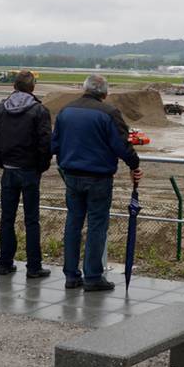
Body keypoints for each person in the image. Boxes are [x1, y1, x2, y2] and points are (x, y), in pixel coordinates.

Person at [52, 74, 142, 291]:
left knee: (73, 223)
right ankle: (93, 276)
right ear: (105, 92)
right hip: (99, 178)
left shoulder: (66, 111)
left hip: (71, 175)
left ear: (84, 89)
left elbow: (54, 144)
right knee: (97, 226)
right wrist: (134, 164)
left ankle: (71, 275)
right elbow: (121, 145)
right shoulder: (109, 113)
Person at [0, 70, 53, 277]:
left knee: (7, 219)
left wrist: (1, 162)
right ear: (32, 88)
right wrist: (41, 166)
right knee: (31, 220)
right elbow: (45, 143)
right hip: (30, 171)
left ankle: (4, 263)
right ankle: (33, 266)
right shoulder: (39, 111)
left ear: (14, 86)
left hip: (9, 170)